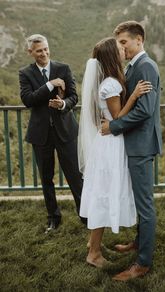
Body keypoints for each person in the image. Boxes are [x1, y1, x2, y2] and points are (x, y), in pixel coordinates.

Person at [78, 37, 152, 268]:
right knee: (104, 195)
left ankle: (93, 245)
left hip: (108, 142)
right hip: (111, 145)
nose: (123, 49)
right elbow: (118, 117)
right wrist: (134, 95)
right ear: (112, 55)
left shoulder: (109, 81)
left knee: (102, 193)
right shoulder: (111, 84)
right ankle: (94, 254)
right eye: (119, 48)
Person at [101, 21, 162, 281]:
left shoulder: (146, 66)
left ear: (139, 40)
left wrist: (114, 126)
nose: (121, 47)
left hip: (140, 145)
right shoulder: (135, 66)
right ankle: (138, 244)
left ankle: (143, 263)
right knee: (140, 201)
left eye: (124, 42)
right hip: (134, 143)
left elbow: (145, 110)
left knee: (145, 205)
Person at [19, 34, 86, 233]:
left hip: (66, 132)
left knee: (75, 175)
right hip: (41, 135)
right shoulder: (25, 73)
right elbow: (28, 99)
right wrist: (50, 85)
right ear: (30, 52)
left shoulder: (63, 68)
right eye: (39, 50)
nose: (44, 53)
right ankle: (53, 218)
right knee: (46, 178)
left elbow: (74, 96)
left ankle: (85, 216)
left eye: (46, 49)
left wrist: (64, 104)